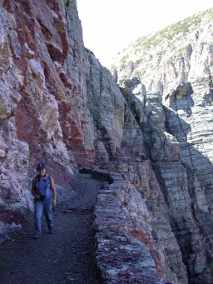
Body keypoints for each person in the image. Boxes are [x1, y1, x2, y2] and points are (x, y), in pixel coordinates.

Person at [31, 162, 57, 239]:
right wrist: (36, 195)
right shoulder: (35, 179)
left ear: (45, 169)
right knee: (37, 216)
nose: (41, 171)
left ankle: (50, 227)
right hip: (38, 201)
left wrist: (54, 199)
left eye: (42, 169)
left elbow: (53, 189)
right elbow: (32, 190)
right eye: (39, 170)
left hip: (48, 201)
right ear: (37, 171)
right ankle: (38, 232)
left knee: (48, 216)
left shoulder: (49, 178)